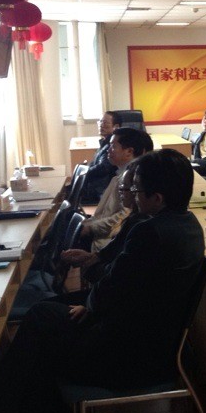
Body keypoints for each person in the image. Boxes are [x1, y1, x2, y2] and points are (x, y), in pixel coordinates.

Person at [0, 149, 205, 413]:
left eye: (137, 190)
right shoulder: (188, 225)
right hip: (154, 340)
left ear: (157, 198)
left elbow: (114, 287)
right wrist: (91, 305)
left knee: (42, 336)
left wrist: (91, 307)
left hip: (131, 357)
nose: (132, 195)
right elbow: (125, 287)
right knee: (43, 319)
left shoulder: (150, 232)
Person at [59, 161, 150, 291]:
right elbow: (108, 254)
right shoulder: (133, 219)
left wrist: (89, 265)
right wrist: (90, 257)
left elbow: (115, 277)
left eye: (127, 188)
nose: (121, 191)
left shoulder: (142, 228)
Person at [78, 127, 153, 251]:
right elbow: (103, 214)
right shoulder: (118, 176)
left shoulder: (130, 182)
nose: (108, 149)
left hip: (106, 243)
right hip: (100, 235)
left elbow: (122, 217)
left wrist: (90, 227)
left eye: (113, 146)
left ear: (129, 151)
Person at [79, 110, 121, 205]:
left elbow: (103, 167)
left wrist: (84, 172)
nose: (101, 125)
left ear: (116, 127)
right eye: (100, 122)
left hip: (100, 191)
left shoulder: (111, 146)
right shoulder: (105, 142)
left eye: (105, 123)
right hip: (95, 188)